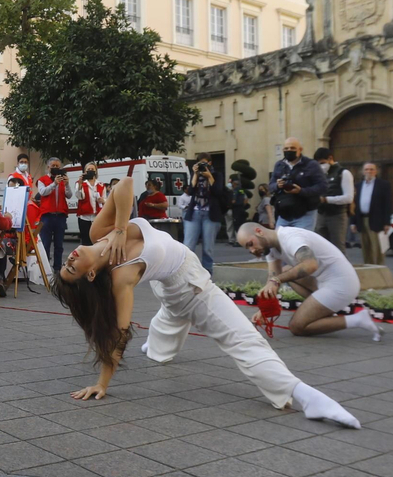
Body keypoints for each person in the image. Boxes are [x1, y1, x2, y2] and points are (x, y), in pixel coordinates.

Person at [52, 169, 358, 427]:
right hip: (188, 286)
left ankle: (156, 348)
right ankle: (306, 396)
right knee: (241, 338)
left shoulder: (99, 232)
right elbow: (119, 334)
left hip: (170, 284)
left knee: (169, 320)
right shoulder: (121, 278)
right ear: (90, 276)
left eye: (66, 262)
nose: (71, 257)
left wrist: (120, 229)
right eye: (72, 268)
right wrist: (102, 383)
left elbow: (125, 184)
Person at [236, 222, 382, 341]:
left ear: (259, 231)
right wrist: (264, 311)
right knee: (286, 271)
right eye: (248, 248)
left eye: (250, 244)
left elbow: (310, 264)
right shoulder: (270, 248)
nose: (252, 250)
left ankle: (358, 319)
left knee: (297, 327)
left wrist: (277, 280)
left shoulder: (291, 238)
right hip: (322, 281)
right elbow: (273, 279)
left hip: (342, 284)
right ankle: (320, 312)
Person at [267, 137, 328, 231]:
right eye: (286, 148)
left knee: (301, 239)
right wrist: (277, 185)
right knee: (279, 240)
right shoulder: (279, 165)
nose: (289, 150)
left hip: (305, 214)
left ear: (300, 150)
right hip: (284, 214)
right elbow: (270, 186)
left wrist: (301, 191)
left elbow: (322, 186)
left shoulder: (311, 165)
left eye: (292, 148)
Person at [180, 161, 226, 274]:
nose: (202, 167)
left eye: (205, 164)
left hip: (210, 214)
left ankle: (207, 273)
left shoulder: (217, 175)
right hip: (194, 213)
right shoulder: (195, 174)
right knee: (188, 246)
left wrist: (209, 176)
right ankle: (186, 272)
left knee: (208, 248)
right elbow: (190, 191)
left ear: (210, 163)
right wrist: (195, 174)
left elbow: (218, 191)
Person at [34, 157, 72, 283]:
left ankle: (57, 268)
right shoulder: (42, 180)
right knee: (45, 243)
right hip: (47, 216)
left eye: (57, 166)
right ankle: (44, 269)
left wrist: (67, 184)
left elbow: (69, 195)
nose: (55, 168)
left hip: (60, 216)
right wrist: (54, 183)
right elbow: (43, 192)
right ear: (48, 167)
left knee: (59, 244)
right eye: (53, 166)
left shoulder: (62, 180)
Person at [315, 147, 353, 251]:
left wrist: (326, 200)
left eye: (322, 163)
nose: (321, 166)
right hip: (321, 214)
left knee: (338, 247)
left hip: (337, 215)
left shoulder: (343, 173)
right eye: (318, 164)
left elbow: (348, 198)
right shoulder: (320, 175)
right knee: (320, 246)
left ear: (330, 158)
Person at [357, 162, 393, 265]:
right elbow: (355, 204)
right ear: (363, 172)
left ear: (376, 171)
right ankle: (368, 267)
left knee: (377, 248)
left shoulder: (383, 185)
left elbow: (387, 204)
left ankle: (379, 268)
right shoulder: (358, 185)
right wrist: (353, 222)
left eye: (371, 169)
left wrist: (387, 222)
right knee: (366, 248)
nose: (369, 171)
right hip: (362, 220)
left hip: (377, 220)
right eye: (366, 169)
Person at [74, 163, 103, 245]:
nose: (90, 171)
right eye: (88, 170)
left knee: (97, 240)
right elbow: (80, 197)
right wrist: (80, 185)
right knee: (86, 241)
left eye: (92, 169)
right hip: (84, 217)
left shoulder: (101, 184)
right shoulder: (80, 183)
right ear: (85, 171)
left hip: (97, 216)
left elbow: (105, 199)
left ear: (96, 171)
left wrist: (103, 200)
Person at [226, 173, 251, 243]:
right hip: (237, 209)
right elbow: (245, 199)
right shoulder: (241, 190)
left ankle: (233, 239)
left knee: (234, 224)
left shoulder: (233, 190)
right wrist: (242, 205)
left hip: (233, 209)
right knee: (236, 223)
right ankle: (236, 239)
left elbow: (234, 200)